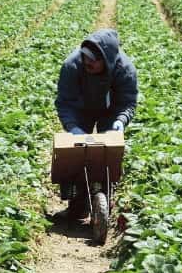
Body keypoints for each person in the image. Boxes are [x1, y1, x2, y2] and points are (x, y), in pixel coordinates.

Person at [53, 29, 138, 220]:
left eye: (93, 60)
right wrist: (73, 127)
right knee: (78, 152)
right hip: (80, 109)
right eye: (85, 58)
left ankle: (104, 200)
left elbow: (128, 102)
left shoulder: (124, 69)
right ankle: (77, 206)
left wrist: (120, 120)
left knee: (107, 154)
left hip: (111, 111)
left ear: (106, 61)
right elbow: (65, 102)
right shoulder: (72, 66)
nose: (87, 62)